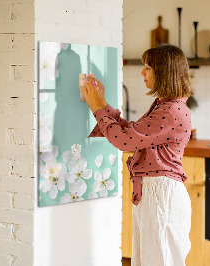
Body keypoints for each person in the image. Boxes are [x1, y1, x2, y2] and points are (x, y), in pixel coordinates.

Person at [81, 44, 193, 266]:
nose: (142, 72)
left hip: (161, 196)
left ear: (164, 72)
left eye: (148, 67)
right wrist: (102, 103)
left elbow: (124, 141)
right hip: (156, 194)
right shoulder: (166, 106)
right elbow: (131, 133)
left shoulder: (170, 111)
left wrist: (96, 108)